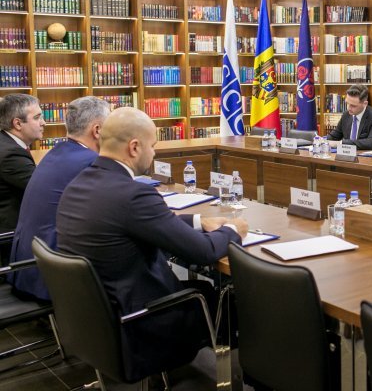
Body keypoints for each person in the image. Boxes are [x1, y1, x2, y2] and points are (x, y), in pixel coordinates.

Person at [56, 107, 248, 380]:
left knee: (201, 288)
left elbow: (140, 222)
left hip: (98, 320)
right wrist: (232, 229)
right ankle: (250, 377)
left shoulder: (80, 183)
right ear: (134, 147)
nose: (154, 153)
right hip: (141, 322)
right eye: (153, 146)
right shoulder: (134, 195)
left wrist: (198, 222)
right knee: (228, 299)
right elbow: (204, 252)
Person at [9, 97, 111, 301]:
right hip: (52, 274)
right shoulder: (90, 161)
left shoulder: (57, 152)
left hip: (27, 266)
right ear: (97, 130)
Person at [0, 94, 44, 236]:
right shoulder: (11, 154)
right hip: (12, 234)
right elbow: (42, 188)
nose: (44, 123)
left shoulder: (6, 141)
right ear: (17, 124)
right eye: (37, 118)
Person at [328, 83, 372, 150]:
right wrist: (320, 141)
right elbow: (334, 136)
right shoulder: (346, 115)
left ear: (365, 104)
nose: (348, 108)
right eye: (347, 103)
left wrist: (341, 143)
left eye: (353, 105)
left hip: (368, 159)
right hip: (347, 157)